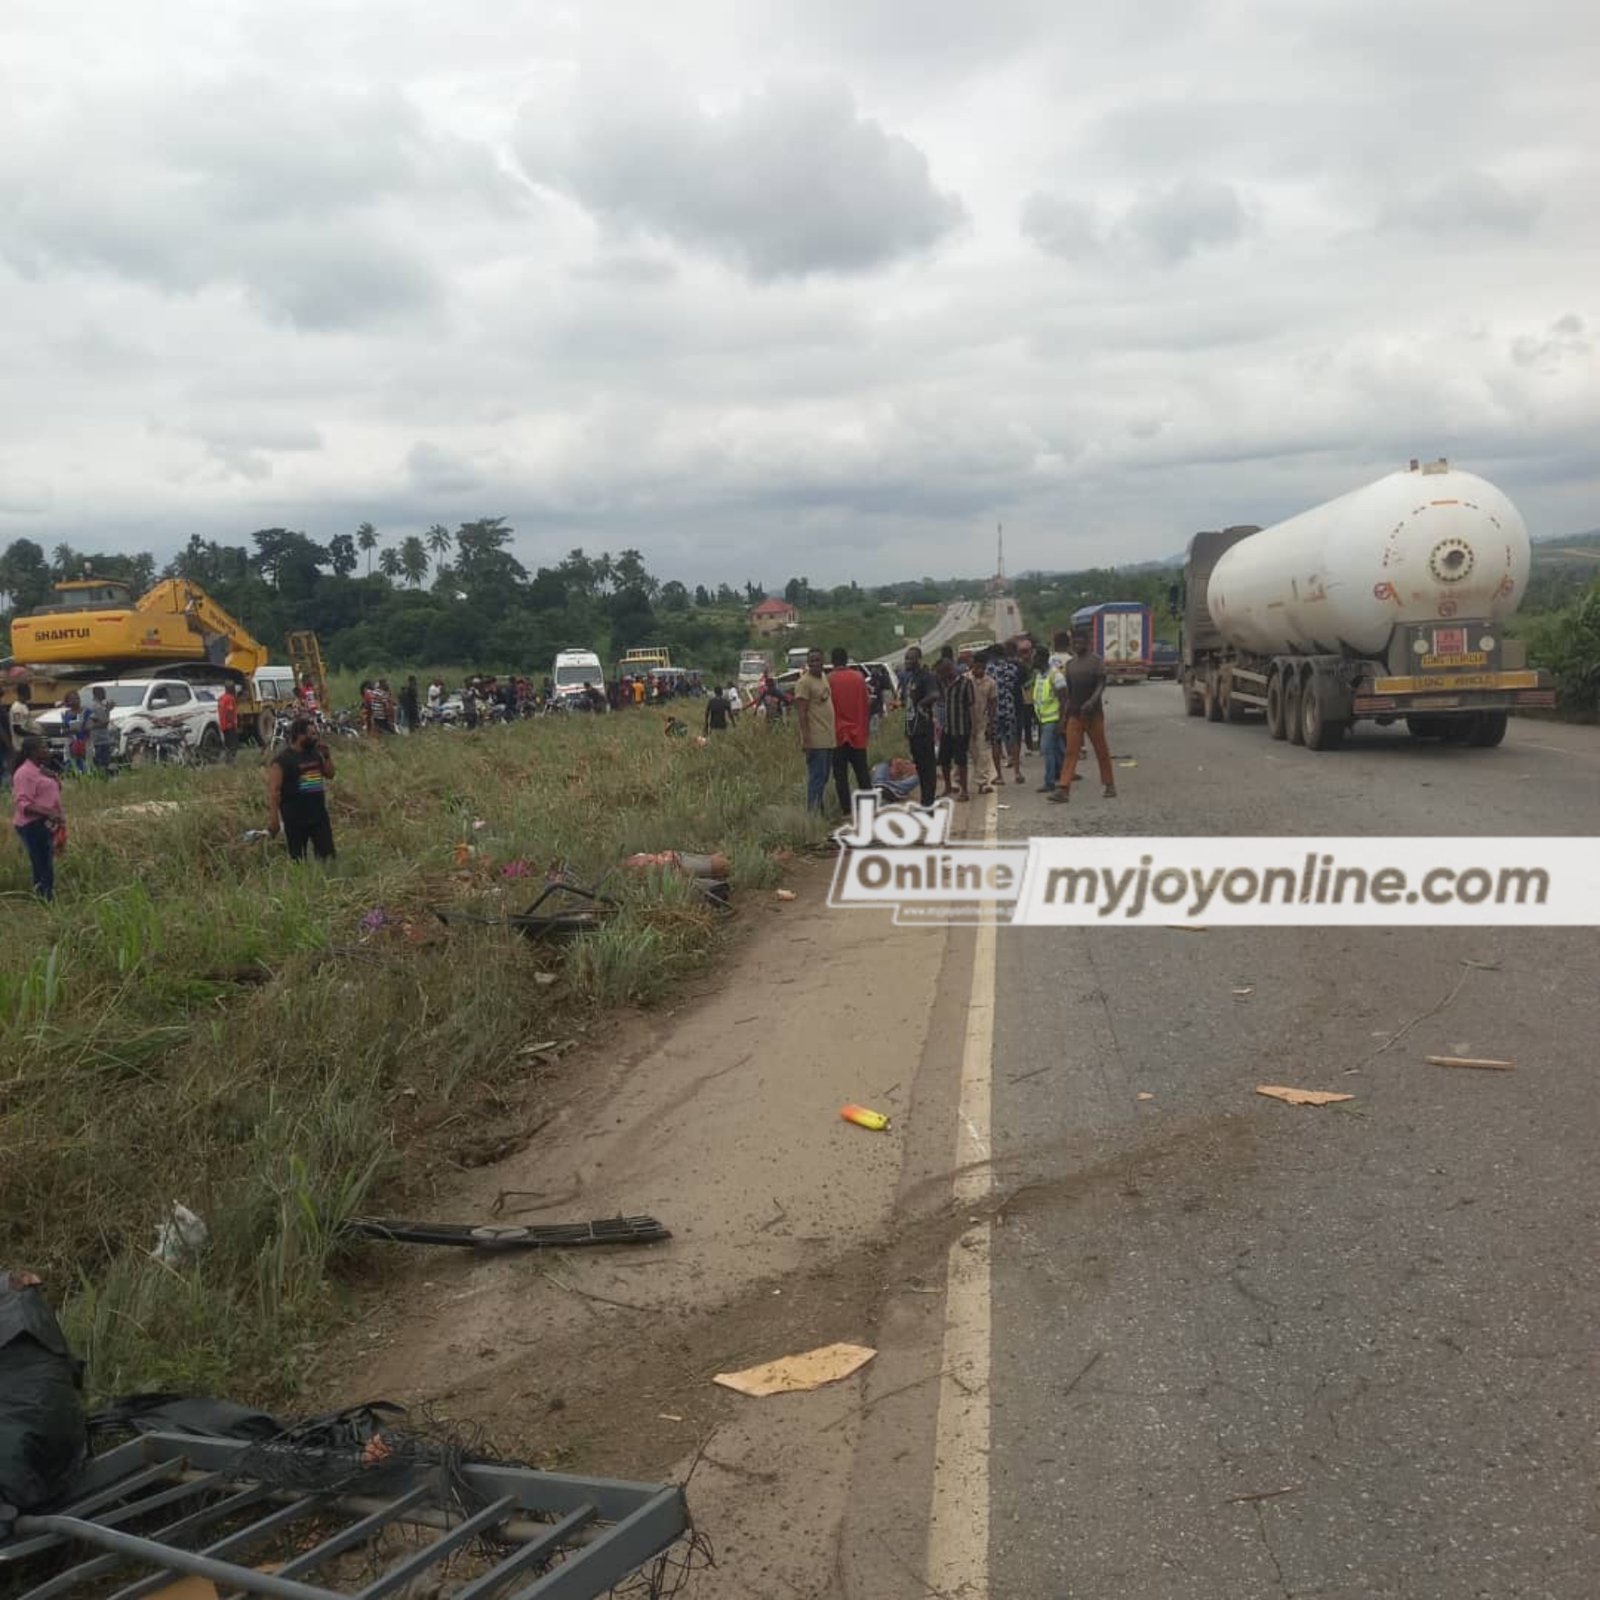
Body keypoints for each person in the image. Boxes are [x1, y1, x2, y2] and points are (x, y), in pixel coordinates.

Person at [1050, 630, 1117, 803]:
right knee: (1071, 752)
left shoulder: (1096, 661)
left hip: (1093, 714)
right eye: (1075, 642)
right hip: (1075, 714)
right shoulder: (1071, 665)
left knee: (1101, 750)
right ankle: (1063, 788)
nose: (1077, 645)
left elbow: (1101, 684)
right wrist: (1064, 717)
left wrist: (1092, 701)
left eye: (1080, 642)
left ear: (1087, 643)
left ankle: (1109, 784)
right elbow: (1069, 693)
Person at [267, 717, 337, 860]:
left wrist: (327, 756)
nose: (315, 738)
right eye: (311, 734)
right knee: (298, 859)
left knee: (327, 856)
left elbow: (330, 774)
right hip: (295, 818)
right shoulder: (283, 760)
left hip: (319, 815)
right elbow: (274, 791)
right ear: (299, 736)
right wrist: (274, 818)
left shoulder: (315, 754)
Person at [12, 735, 65, 900]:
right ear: (32, 752)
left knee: (44, 860)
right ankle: (46, 898)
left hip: (45, 822)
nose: (47, 750)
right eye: (43, 748)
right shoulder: (24, 773)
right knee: (42, 863)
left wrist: (54, 777)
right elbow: (23, 805)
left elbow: (53, 791)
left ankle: (43, 895)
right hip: (32, 824)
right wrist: (49, 813)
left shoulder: (39, 770)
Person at [828, 649, 871, 816]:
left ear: (833, 661)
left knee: (840, 776)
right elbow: (866, 703)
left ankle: (847, 810)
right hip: (858, 733)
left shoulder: (830, 680)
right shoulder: (859, 678)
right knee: (862, 773)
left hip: (838, 734)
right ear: (846, 660)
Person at [793, 647, 834, 813]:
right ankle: (813, 813)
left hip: (828, 738)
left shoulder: (824, 677)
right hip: (815, 740)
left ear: (823, 660)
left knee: (824, 777)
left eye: (818, 660)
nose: (815, 663)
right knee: (816, 777)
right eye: (812, 661)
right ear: (808, 663)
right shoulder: (804, 683)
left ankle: (819, 808)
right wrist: (806, 739)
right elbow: (802, 713)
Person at [900, 645, 940, 806]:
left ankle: (928, 803)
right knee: (920, 768)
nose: (907, 661)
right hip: (913, 729)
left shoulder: (926, 676)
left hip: (923, 729)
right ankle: (925, 801)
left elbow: (935, 694)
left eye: (910, 658)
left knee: (928, 768)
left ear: (918, 659)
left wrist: (921, 704)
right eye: (906, 658)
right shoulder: (910, 678)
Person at [937, 656, 974, 801]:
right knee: (944, 760)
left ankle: (964, 790)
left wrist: (973, 727)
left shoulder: (966, 683)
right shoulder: (943, 684)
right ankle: (948, 787)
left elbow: (971, 704)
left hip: (961, 728)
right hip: (947, 728)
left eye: (942, 672)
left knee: (961, 760)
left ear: (949, 670)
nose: (940, 676)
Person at [988, 641, 1023, 785]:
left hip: (994, 709)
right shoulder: (1011, 668)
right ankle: (1017, 772)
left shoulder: (989, 669)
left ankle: (1000, 776)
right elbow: (1015, 683)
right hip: (1009, 706)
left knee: (996, 742)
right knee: (1012, 740)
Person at [1032, 641, 1064, 793]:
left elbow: (1064, 699)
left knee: (1047, 750)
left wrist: (1062, 721)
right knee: (1057, 750)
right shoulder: (1040, 676)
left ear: (1041, 658)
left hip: (1053, 719)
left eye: (1034, 657)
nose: (1032, 660)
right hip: (1044, 719)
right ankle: (1064, 775)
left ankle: (1050, 782)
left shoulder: (1055, 675)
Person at [87, 686, 116, 777]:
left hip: (102, 738)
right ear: (96, 694)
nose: (104, 695)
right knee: (101, 763)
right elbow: (104, 722)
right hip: (99, 739)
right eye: (102, 692)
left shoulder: (99, 706)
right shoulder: (96, 706)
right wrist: (108, 710)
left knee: (103, 762)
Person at [216, 680, 240, 763]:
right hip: (230, 725)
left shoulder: (221, 698)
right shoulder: (230, 698)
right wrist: (233, 724)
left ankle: (228, 760)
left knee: (227, 743)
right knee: (233, 744)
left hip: (223, 725)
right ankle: (231, 761)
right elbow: (230, 711)